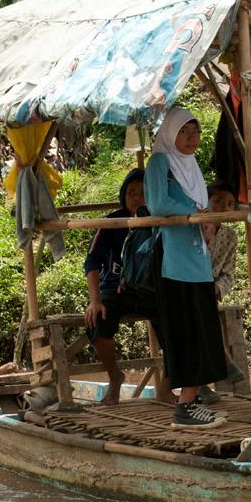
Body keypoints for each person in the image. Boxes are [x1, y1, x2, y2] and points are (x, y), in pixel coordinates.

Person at [145, 107, 228, 429]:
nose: (192, 138)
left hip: (197, 261)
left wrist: (205, 219)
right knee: (186, 332)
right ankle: (184, 407)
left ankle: (191, 402)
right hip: (173, 260)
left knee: (202, 330)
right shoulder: (160, 162)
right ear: (170, 133)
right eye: (184, 132)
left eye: (196, 132)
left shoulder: (191, 166)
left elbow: (202, 207)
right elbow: (157, 204)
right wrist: (195, 212)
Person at [83, 169, 170, 406]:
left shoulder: (161, 222)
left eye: (143, 193)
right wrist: (95, 300)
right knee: (96, 320)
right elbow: (92, 261)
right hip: (116, 290)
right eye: (131, 192)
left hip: (152, 290)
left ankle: (166, 387)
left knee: (177, 324)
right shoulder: (111, 222)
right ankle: (115, 378)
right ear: (123, 195)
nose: (137, 198)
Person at [198, 180, 242, 403]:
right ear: (205, 202)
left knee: (204, 309)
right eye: (217, 201)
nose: (224, 207)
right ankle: (223, 361)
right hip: (189, 286)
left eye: (229, 203)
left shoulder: (230, 236)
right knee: (199, 314)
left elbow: (228, 273)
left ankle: (202, 383)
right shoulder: (194, 227)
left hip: (209, 291)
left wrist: (217, 287)